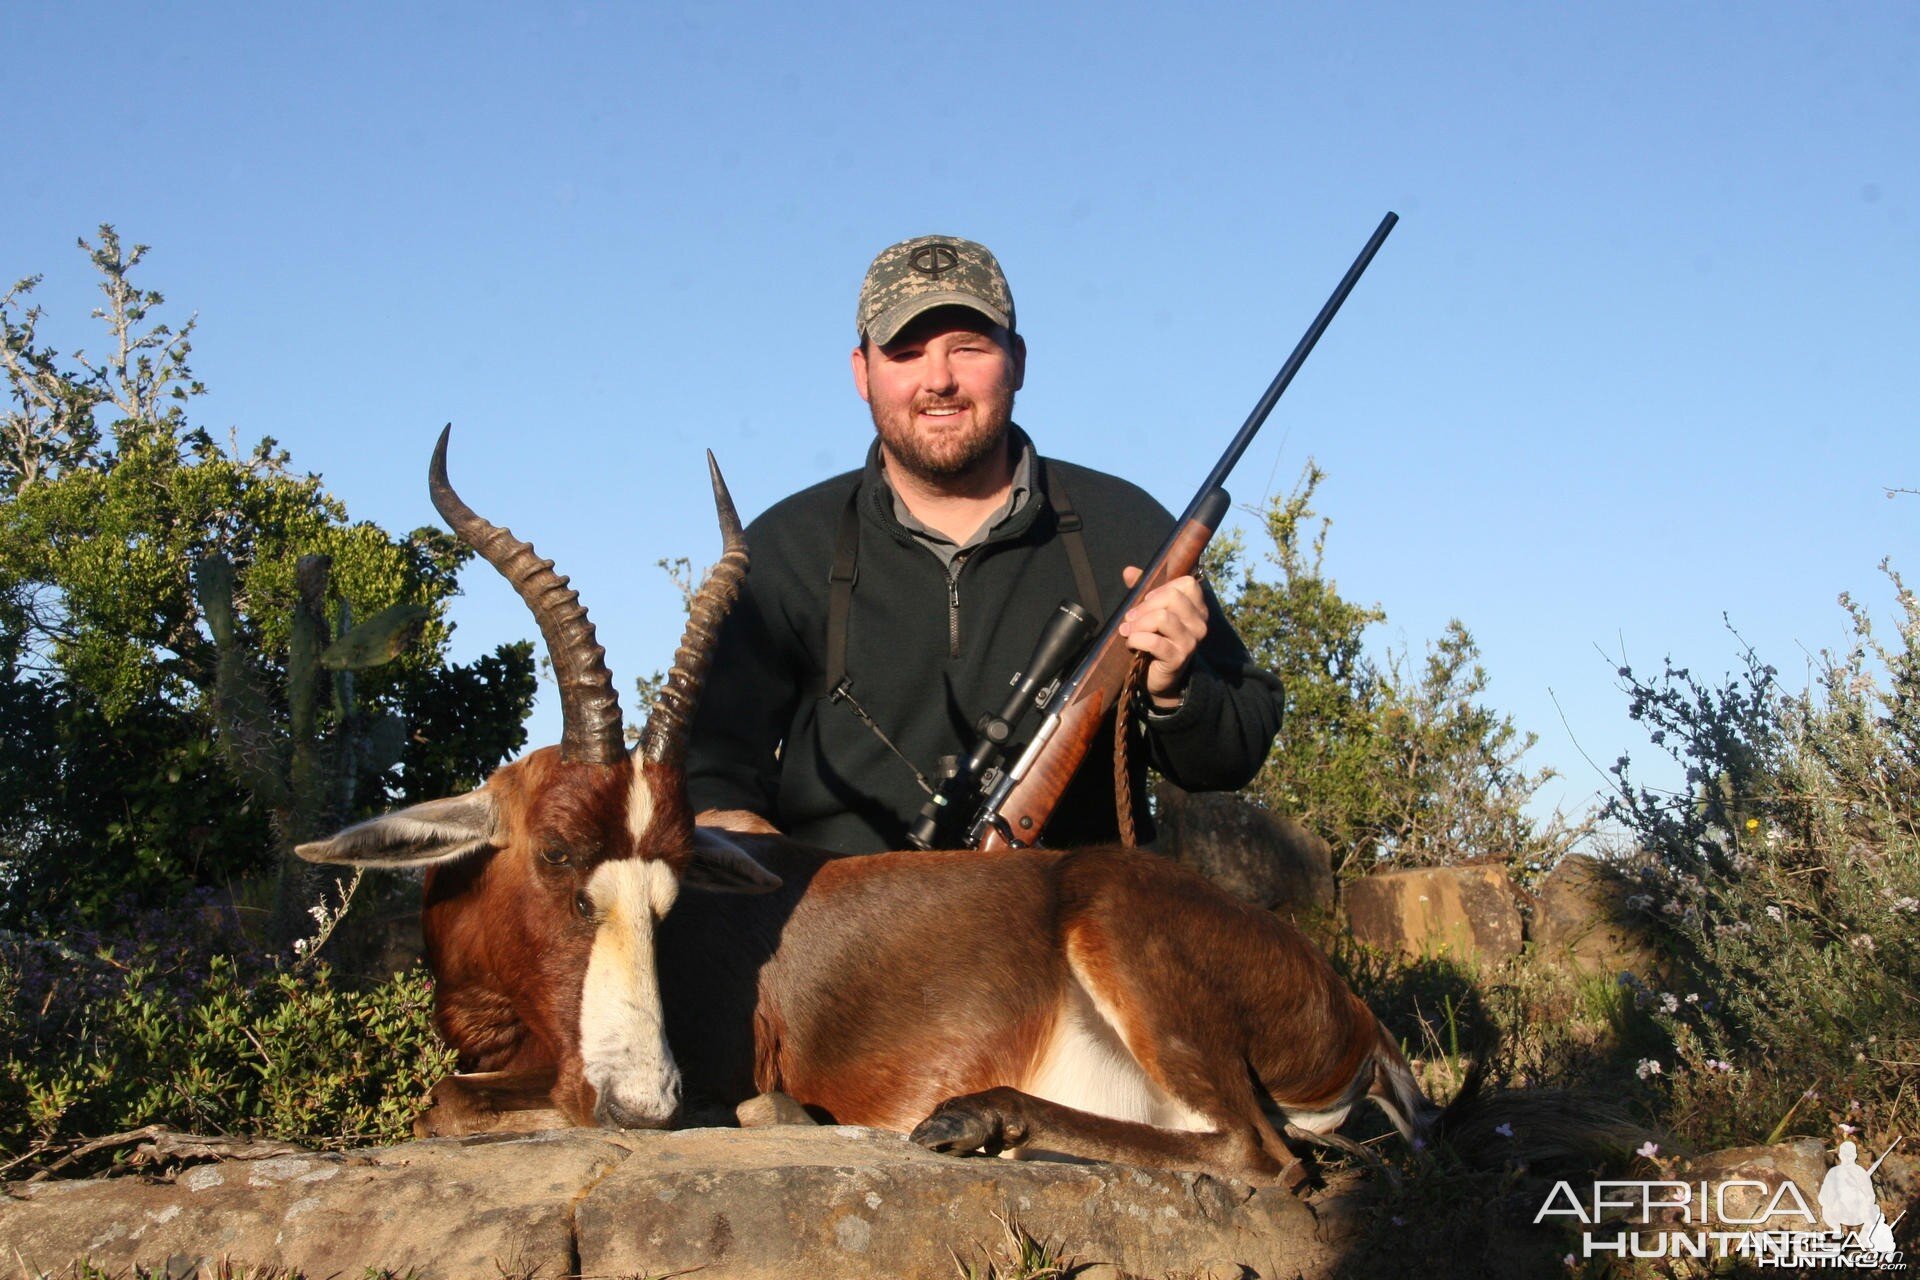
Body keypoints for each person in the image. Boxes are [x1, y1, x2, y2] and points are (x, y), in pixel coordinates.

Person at [685, 235, 1285, 854]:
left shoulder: (1125, 526)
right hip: (847, 936)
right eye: (907, 354)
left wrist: (1175, 693)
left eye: (968, 349)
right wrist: (759, 868)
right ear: (863, 373)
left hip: (1068, 931)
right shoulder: (785, 548)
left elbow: (1234, 750)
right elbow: (709, 769)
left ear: (1018, 361)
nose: (938, 379)